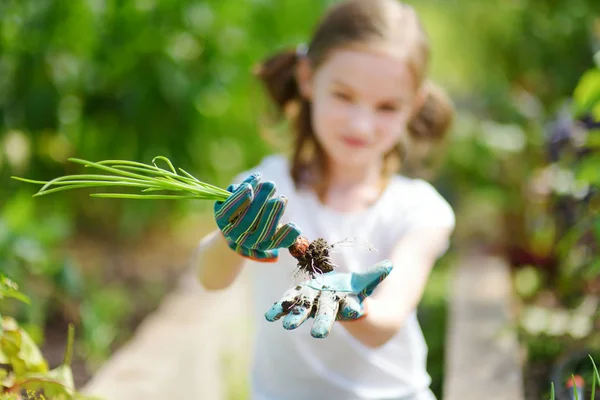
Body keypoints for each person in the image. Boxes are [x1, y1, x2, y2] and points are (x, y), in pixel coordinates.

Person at [193, 0, 456, 398]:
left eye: (387, 107)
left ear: (414, 106)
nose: (361, 124)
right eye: (343, 96)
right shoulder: (263, 188)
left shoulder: (420, 210)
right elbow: (209, 278)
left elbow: (384, 323)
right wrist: (230, 241)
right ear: (307, 78)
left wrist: (347, 296)